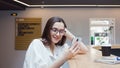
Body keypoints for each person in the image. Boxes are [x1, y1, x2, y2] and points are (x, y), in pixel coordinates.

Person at [23, 17, 88, 68]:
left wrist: (67, 33)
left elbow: (84, 50)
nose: (58, 34)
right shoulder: (36, 44)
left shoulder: (61, 47)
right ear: (48, 29)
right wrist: (65, 57)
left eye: (61, 31)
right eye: (54, 30)